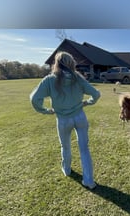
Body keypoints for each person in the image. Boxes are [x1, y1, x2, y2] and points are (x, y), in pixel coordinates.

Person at [30, 51, 101, 190]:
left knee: (65, 146)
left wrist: (45, 111)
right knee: (84, 149)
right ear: (71, 63)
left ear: (56, 63)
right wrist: (88, 102)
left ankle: (67, 170)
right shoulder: (78, 78)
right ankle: (88, 180)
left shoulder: (49, 79)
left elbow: (34, 99)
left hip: (63, 120)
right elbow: (96, 94)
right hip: (80, 117)